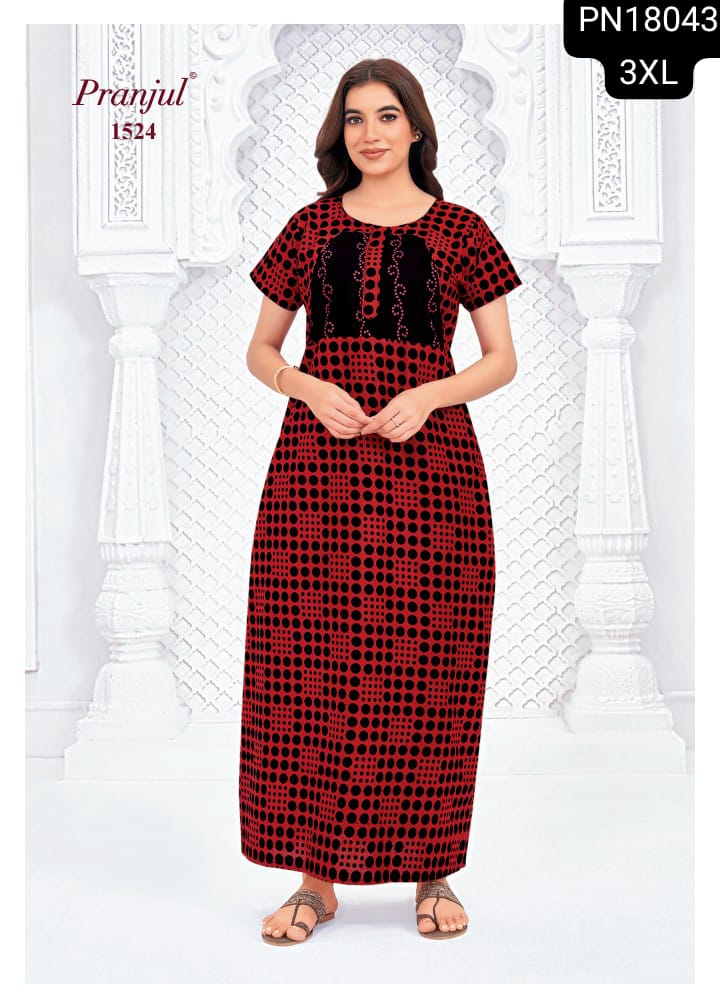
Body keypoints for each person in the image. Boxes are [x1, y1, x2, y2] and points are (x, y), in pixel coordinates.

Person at [239, 57, 522, 946]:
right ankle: (314, 881)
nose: (370, 133)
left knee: (430, 659)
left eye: (387, 115)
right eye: (355, 118)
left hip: (431, 473)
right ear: (340, 133)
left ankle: (433, 870)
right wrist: (306, 384)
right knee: (310, 663)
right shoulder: (310, 227)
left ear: (416, 128)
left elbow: (501, 360)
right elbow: (259, 350)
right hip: (316, 473)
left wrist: (430, 395)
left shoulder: (462, 230)